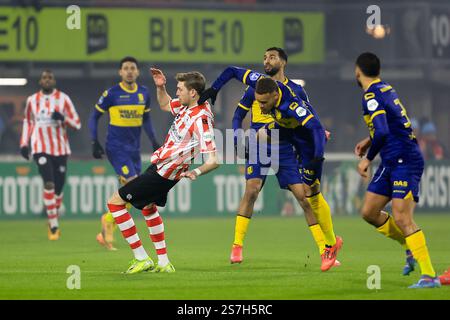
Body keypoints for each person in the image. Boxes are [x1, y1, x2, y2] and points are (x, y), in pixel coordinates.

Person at [199, 66, 342, 271]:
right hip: (261, 145)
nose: (267, 60)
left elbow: (309, 116)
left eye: (272, 57)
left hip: (284, 146)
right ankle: (237, 246)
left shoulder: (293, 93)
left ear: (282, 63)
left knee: (304, 197)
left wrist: (318, 135)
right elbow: (238, 112)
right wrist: (238, 138)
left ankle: (324, 250)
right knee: (251, 190)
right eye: (266, 57)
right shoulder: (256, 85)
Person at [106, 69, 219, 274]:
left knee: (115, 203)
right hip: (162, 167)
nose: (177, 93)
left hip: (163, 173)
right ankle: (164, 262)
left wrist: (197, 172)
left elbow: (214, 160)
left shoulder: (201, 120)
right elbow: (165, 104)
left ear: (193, 92)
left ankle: (141, 258)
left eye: (180, 89)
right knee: (148, 207)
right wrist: (160, 87)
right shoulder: (186, 108)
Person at [353, 52, 440, 288]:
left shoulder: (370, 95)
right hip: (392, 159)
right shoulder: (386, 89)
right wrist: (368, 140)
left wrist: (366, 159)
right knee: (369, 212)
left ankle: (429, 276)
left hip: (404, 158)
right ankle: (408, 246)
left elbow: (382, 131)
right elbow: (392, 125)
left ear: (357, 70)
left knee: (402, 217)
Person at [88, 56, 160, 250]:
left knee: (132, 193)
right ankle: (108, 220)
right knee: (135, 186)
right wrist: (94, 141)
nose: (129, 71)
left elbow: (146, 120)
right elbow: (94, 116)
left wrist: (154, 140)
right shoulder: (112, 93)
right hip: (116, 147)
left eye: (132, 68)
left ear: (137, 72)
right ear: (120, 72)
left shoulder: (144, 94)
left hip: (134, 151)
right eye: (125, 68)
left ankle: (106, 226)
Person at [20, 70, 81, 240]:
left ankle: (53, 216)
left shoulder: (64, 99)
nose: (47, 80)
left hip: (60, 149)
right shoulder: (32, 100)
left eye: (50, 78)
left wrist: (63, 118)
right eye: (44, 78)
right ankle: (53, 226)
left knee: (58, 188)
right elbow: (28, 122)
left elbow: (77, 124)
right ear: (40, 81)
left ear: (54, 81)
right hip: (40, 147)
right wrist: (24, 144)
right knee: (49, 182)